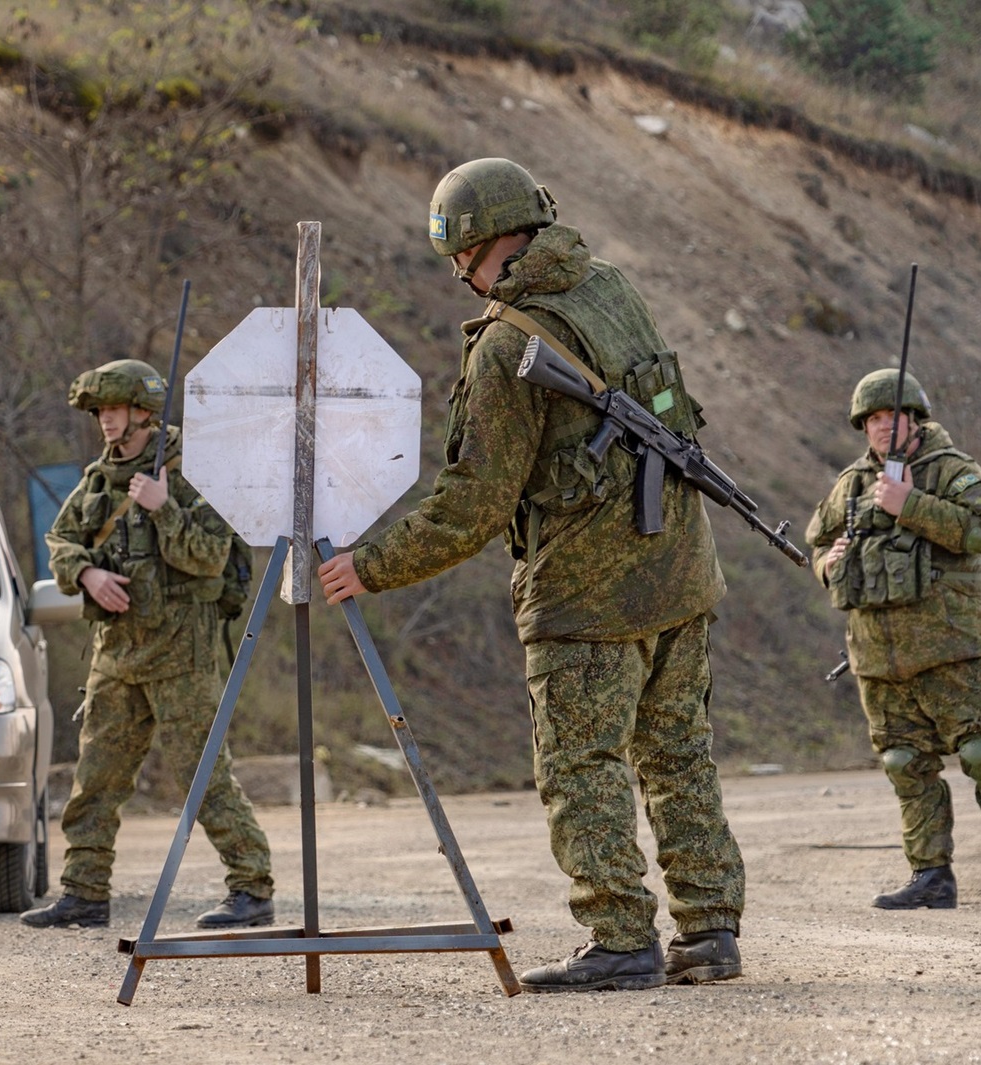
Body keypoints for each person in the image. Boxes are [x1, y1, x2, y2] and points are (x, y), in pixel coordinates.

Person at [317, 158, 745, 992]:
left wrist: (366, 566)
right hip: (681, 572)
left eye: (462, 257)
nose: (460, 276)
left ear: (492, 244)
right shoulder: (612, 288)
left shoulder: (510, 344)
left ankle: (621, 936)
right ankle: (710, 928)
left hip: (586, 598)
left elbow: (473, 504)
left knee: (582, 765)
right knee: (678, 755)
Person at [19, 358, 275, 930]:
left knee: (203, 775)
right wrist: (87, 575)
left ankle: (252, 888)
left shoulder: (194, 475)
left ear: (143, 413)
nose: (106, 422)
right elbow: (61, 539)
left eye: (115, 411)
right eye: (100, 412)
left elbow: (209, 557)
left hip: (182, 652)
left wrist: (164, 509)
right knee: (96, 778)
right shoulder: (97, 479)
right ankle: (84, 893)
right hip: (117, 652)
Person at [806, 369, 981, 910]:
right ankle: (931, 876)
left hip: (954, 646)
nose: (881, 426)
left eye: (892, 415)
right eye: (872, 418)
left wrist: (909, 504)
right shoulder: (851, 484)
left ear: (914, 420)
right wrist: (827, 565)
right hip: (879, 655)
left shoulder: (951, 470)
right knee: (903, 762)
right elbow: (818, 541)